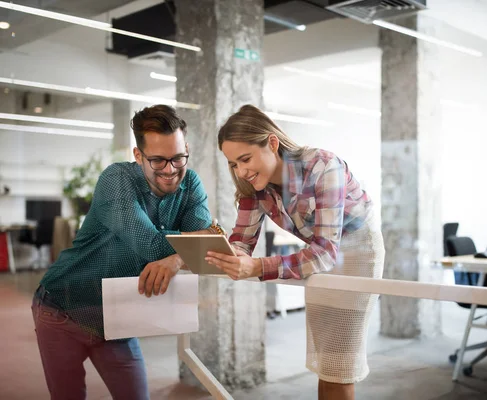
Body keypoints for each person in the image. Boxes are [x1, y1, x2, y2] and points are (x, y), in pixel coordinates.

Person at [32, 104, 221, 400]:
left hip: (117, 315)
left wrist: (179, 257)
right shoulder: (116, 180)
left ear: (187, 148)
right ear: (138, 155)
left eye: (178, 157)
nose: (171, 170)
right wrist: (199, 240)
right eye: (158, 160)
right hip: (62, 307)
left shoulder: (191, 182)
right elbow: (152, 246)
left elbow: (204, 248)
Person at [206, 104, 385, 400]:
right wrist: (229, 254)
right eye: (233, 164)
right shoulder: (254, 185)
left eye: (245, 159)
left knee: (340, 361)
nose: (241, 171)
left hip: (357, 250)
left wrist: (257, 267)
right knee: (323, 360)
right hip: (317, 252)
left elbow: (326, 253)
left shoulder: (323, 165)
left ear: (272, 144)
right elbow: (242, 241)